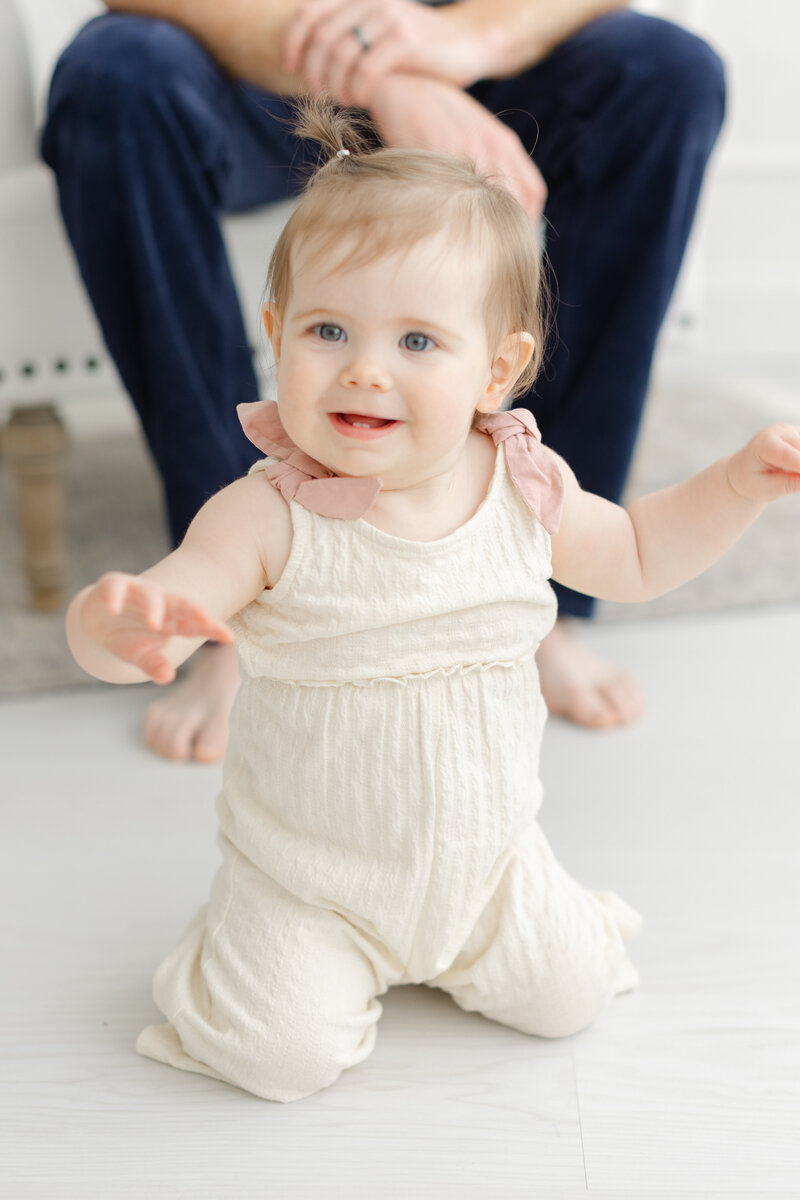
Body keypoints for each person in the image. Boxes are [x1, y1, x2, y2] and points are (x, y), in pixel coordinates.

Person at [65, 104, 800, 1102]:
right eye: (328, 329)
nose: (364, 367)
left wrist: (732, 486)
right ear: (275, 336)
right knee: (274, 1060)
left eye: (417, 339)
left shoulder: (521, 485)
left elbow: (629, 553)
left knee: (570, 996)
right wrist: (117, 629)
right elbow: (175, 594)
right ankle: (243, 948)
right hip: (307, 880)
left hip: (485, 864)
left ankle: (478, 942)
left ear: (495, 369)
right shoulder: (265, 514)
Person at [42, 0, 726, 759]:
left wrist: (469, 38)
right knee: (116, 77)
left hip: (473, 48)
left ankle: (539, 588)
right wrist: (384, 77)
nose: (367, 369)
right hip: (256, 50)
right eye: (330, 335)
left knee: (668, 72)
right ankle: (230, 603)